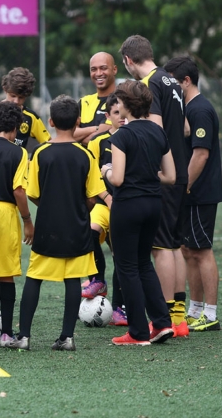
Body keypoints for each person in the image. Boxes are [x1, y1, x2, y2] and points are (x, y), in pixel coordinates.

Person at [8, 95, 105, 351]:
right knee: (72, 280)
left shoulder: (40, 153)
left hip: (48, 229)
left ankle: (24, 337)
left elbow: (33, 193)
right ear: (78, 121)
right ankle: (67, 338)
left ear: (50, 121)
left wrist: (51, 207)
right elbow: (93, 197)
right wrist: (77, 208)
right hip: (77, 228)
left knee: (34, 278)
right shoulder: (85, 155)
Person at [120, 35, 189, 337]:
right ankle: (178, 318)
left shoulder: (149, 84)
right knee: (173, 245)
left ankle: (166, 320)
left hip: (160, 174)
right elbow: (184, 127)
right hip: (179, 168)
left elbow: (154, 129)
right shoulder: (171, 80)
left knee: (160, 248)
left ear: (128, 61)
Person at [101, 80, 176, 346]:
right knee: (145, 263)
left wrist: (106, 171)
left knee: (127, 267)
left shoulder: (121, 135)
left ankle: (137, 332)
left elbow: (118, 179)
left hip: (128, 206)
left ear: (123, 105)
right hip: (153, 204)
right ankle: (163, 323)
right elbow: (171, 176)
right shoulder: (158, 132)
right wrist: (147, 174)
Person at [165, 56, 222, 332]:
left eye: (174, 82)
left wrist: (184, 185)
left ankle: (210, 315)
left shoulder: (199, 109)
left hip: (200, 192)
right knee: (188, 250)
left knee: (202, 250)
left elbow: (201, 154)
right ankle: (195, 308)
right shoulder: (186, 108)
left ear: (186, 81)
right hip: (188, 192)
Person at [0, 101, 33, 347]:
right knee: (6, 275)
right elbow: (19, 191)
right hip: (5, 214)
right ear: (14, 127)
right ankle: (7, 333)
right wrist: (27, 219)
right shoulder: (19, 152)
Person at [86, 93, 127, 325]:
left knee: (121, 257)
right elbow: (91, 176)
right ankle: (97, 278)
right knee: (89, 232)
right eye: (116, 114)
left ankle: (121, 308)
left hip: (126, 207)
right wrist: (107, 196)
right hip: (104, 204)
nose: (121, 118)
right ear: (107, 116)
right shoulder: (98, 141)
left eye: (124, 113)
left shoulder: (134, 138)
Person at [74, 52, 118, 145]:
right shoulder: (84, 102)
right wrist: (96, 128)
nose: (98, 73)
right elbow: (69, 134)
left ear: (114, 70)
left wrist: (80, 136)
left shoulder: (121, 101)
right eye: (93, 69)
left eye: (103, 68)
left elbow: (99, 138)